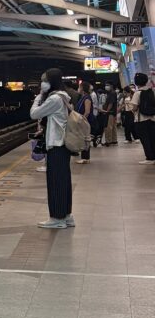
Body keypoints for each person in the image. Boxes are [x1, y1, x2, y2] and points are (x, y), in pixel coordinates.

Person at [29, 68, 74, 229]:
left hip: (56, 145)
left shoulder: (54, 99)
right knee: (63, 181)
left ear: (52, 81)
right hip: (62, 145)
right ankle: (67, 216)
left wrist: (38, 97)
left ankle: (57, 218)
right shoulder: (63, 96)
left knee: (55, 182)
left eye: (45, 80)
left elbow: (34, 114)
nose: (42, 83)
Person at [128, 72, 155, 164]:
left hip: (141, 119)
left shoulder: (137, 93)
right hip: (152, 118)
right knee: (152, 138)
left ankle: (149, 158)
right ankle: (153, 156)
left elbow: (134, 107)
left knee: (145, 139)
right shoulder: (151, 91)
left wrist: (132, 110)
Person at [75, 82, 93, 164]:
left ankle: (85, 158)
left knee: (85, 139)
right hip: (83, 120)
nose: (78, 88)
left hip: (85, 121)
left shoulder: (87, 98)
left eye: (79, 87)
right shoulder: (83, 97)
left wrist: (82, 120)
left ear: (83, 88)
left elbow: (87, 111)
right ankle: (84, 157)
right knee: (83, 139)